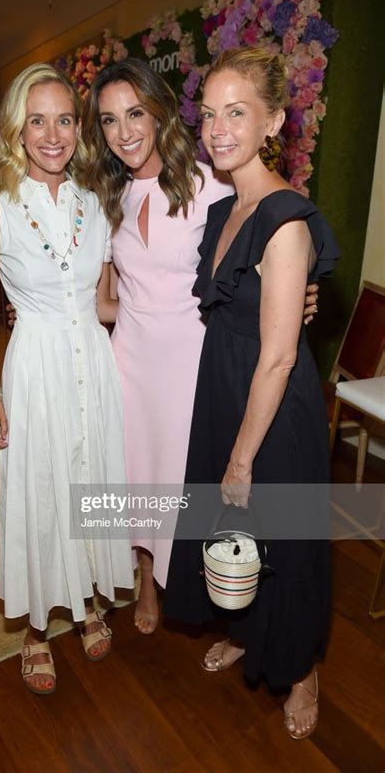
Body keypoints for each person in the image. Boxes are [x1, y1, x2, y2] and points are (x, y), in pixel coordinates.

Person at [81, 58, 319, 635]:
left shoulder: (212, 181)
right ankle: (146, 580)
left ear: (160, 112)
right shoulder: (104, 196)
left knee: (187, 484)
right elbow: (104, 301)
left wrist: (295, 297)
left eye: (135, 113)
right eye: (109, 121)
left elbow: (270, 238)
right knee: (138, 477)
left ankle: (210, 588)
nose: (125, 132)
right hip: (130, 360)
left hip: (193, 360)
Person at [164, 47, 340, 739]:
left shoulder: (286, 218)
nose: (219, 128)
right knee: (235, 533)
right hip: (225, 389)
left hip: (271, 405)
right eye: (210, 113)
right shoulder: (222, 211)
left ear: (273, 121)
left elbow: (279, 356)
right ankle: (245, 630)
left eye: (237, 112)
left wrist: (240, 456)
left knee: (283, 541)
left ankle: (302, 669)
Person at [0, 63, 134, 696]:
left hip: (93, 360)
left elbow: (110, 303)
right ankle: (36, 631)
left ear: (78, 128)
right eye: (38, 120)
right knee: (39, 491)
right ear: (17, 129)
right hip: (31, 367)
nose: (52, 134)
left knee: (89, 480)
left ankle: (86, 604)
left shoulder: (94, 205)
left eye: (64, 119)